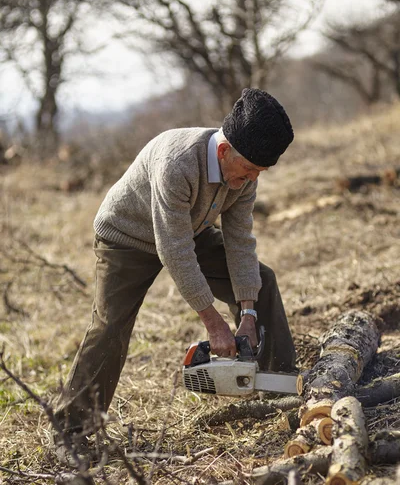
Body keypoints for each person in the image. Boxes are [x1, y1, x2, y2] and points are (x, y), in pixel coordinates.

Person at [54, 87, 297, 445]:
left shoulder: (243, 173)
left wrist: (248, 314)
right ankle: (70, 434)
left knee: (261, 279)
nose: (252, 179)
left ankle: (283, 391)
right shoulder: (178, 162)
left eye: (259, 172)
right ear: (224, 150)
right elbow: (175, 251)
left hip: (188, 227)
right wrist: (214, 323)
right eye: (248, 170)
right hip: (127, 236)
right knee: (110, 326)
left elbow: (240, 242)